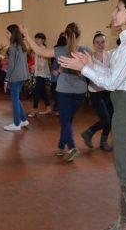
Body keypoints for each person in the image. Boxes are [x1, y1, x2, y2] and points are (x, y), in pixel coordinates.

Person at [59, 0, 126, 230]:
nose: (113, 13)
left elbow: (111, 82)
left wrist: (84, 68)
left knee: (125, 166)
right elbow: (113, 72)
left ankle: (125, 221)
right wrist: (91, 63)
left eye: (118, 9)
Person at [21, 23, 89, 162]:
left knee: (65, 121)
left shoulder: (60, 50)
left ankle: (72, 147)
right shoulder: (86, 50)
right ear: (79, 35)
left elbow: (39, 52)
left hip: (64, 91)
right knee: (67, 120)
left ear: (65, 35)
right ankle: (60, 146)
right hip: (80, 92)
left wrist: (27, 36)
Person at [80, 32, 113, 151]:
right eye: (97, 42)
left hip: (108, 90)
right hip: (95, 91)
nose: (100, 44)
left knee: (111, 118)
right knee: (106, 119)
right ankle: (89, 132)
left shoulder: (110, 55)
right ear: (93, 44)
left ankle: (103, 141)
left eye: (103, 42)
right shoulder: (90, 58)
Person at [3, 24, 30, 131]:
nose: (6, 34)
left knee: (14, 101)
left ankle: (16, 124)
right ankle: (23, 120)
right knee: (16, 99)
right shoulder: (21, 45)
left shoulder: (13, 47)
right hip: (23, 76)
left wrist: (6, 79)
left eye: (7, 33)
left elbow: (11, 65)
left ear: (13, 34)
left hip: (15, 77)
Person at [28, 33, 52, 117]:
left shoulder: (43, 49)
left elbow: (43, 62)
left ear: (43, 40)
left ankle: (34, 110)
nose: (36, 40)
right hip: (39, 73)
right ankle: (48, 108)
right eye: (35, 39)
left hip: (42, 73)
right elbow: (37, 61)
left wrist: (36, 68)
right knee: (42, 92)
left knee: (36, 92)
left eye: (38, 39)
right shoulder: (37, 49)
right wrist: (34, 66)